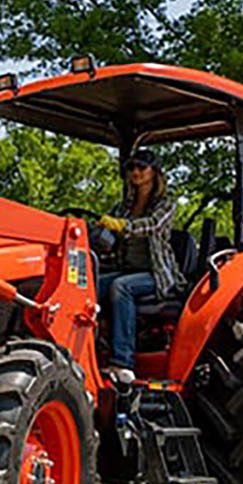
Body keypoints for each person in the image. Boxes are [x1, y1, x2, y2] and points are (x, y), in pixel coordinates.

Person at [95, 148, 183, 386]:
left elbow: (153, 226)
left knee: (120, 287)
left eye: (141, 167)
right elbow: (111, 231)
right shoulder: (123, 206)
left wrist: (122, 226)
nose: (135, 172)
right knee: (87, 283)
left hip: (157, 275)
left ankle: (122, 363)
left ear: (154, 173)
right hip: (127, 269)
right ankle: (87, 351)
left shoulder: (166, 203)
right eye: (131, 167)